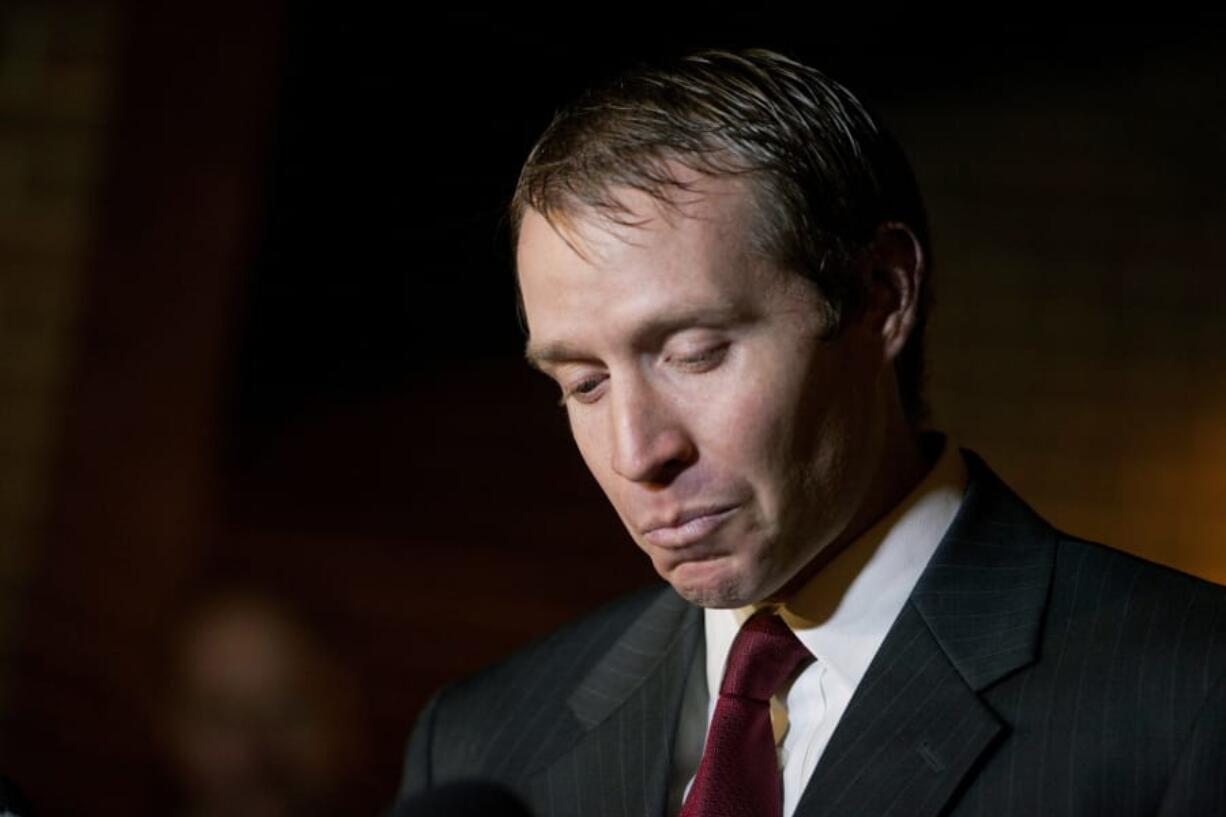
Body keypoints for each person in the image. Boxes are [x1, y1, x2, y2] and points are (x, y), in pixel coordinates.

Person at [395, 49, 1226, 817]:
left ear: (880, 296)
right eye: (583, 382)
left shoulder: (1192, 693)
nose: (636, 452)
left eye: (695, 353)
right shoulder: (480, 744)